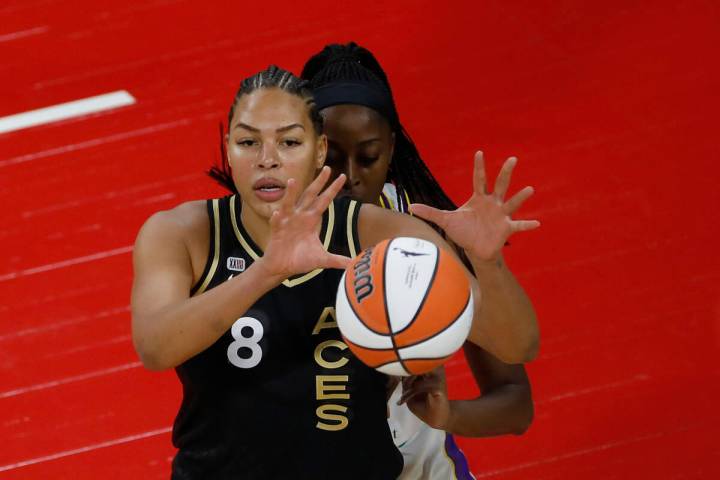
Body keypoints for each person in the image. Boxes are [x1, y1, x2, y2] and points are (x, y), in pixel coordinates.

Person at [134, 65, 537, 479]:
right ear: (228, 149)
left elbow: (515, 347)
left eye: (289, 142)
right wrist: (266, 271)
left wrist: (489, 264)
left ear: (320, 150)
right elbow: (155, 347)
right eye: (247, 141)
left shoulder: (380, 234)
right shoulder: (182, 233)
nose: (267, 159)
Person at [299, 42, 538, 479]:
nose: (350, 176)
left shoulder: (425, 240)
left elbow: (515, 402)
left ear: (391, 149)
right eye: (330, 158)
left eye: (368, 157)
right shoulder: (263, 237)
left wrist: (448, 417)